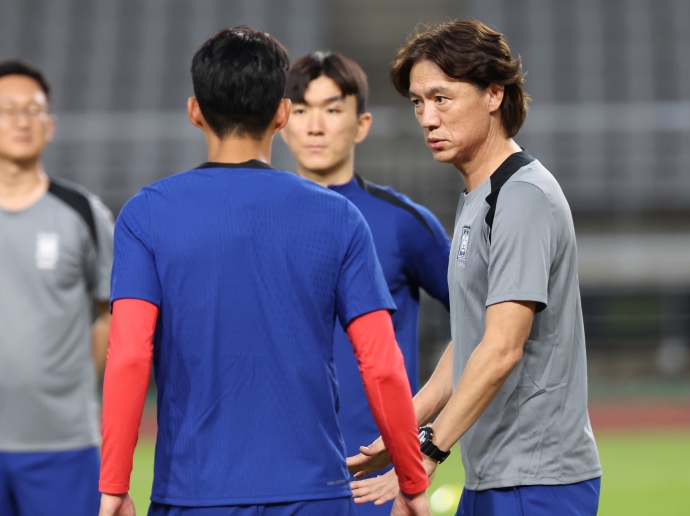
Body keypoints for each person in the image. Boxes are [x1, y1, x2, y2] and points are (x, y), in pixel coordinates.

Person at [97, 26, 431, 516]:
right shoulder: (339, 217)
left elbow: (127, 356)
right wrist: (412, 482)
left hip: (193, 495)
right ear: (281, 114)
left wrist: (113, 486)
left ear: (195, 111)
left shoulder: (145, 215)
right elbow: (381, 363)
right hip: (314, 493)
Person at [348, 20, 602, 516]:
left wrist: (427, 450)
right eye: (418, 102)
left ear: (493, 94)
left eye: (442, 98)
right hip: (496, 478)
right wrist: (403, 430)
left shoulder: (521, 195)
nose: (426, 117)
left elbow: (503, 347)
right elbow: (473, 339)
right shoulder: (478, 194)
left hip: (537, 483)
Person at [280, 51, 450, 515]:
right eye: (300, 109)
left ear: (362, 124)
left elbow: (488, 319)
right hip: (279, 480)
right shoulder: (257, 222)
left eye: (333, 109)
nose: (315, 125)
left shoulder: (403, 224)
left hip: (377, 488)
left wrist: (429, 423)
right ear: (281, 120)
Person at [0, 60, 114, 516]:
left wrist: (74, 385)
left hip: (63, 445)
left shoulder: (84, 214)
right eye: (8, 109)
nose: (22, 120)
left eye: (33, 109)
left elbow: (109, 310)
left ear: (50, 125)